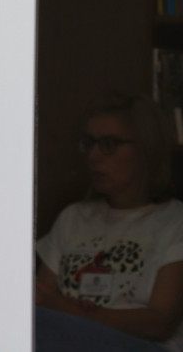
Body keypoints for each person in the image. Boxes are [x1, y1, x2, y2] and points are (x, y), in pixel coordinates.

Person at [35, 92, 183, 351]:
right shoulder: (73, 217)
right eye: (89, 143)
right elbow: (41, 299)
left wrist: (69, 310)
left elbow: (159, 323)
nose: (93, 156)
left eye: (109, 145)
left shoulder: (174, 220)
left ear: (146, 149)